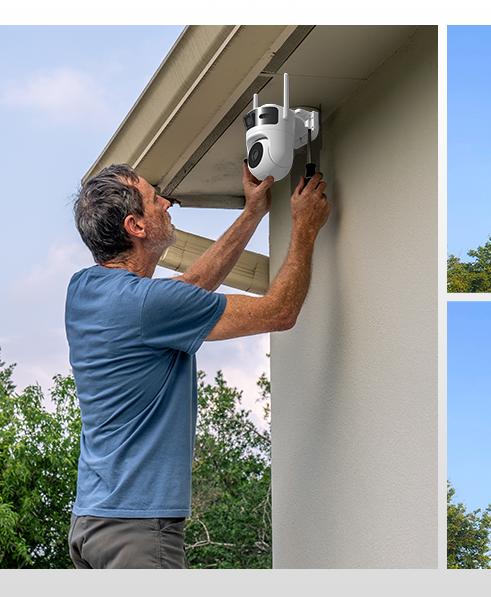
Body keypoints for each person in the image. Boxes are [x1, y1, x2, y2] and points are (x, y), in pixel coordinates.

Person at [64, 162, 330, 568]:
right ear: (135, 226)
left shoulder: (84, 289)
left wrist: (252, 214)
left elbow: (187, 291)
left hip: (92, 522)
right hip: (136, 529)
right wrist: (305, 229)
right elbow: (280, 312)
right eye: (156, 201)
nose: (167, 202)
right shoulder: (147, 304)